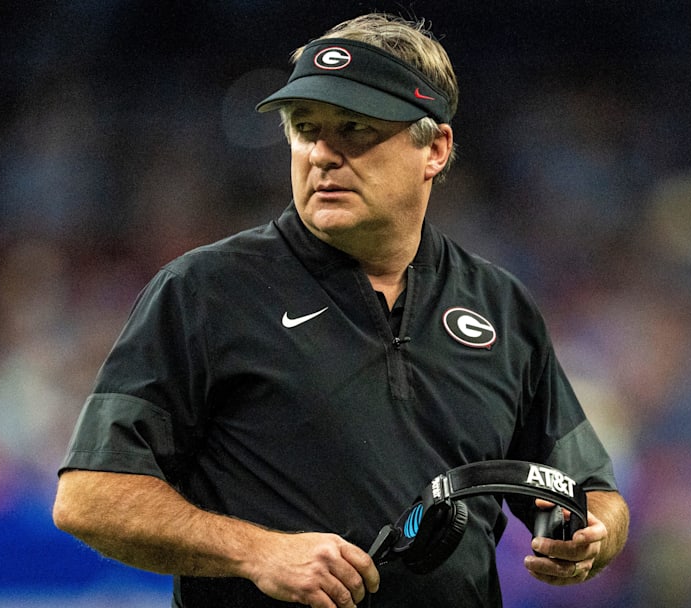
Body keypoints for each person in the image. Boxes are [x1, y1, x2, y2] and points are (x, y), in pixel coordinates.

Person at [52, 12, 629, 608]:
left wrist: (589, 537)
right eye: (305, 129)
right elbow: (89, 496)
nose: (322, 154)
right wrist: (257, 551)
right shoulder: (204, 292)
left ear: (434, 147)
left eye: (353, 128)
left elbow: (592, 493)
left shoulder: (501, 307)